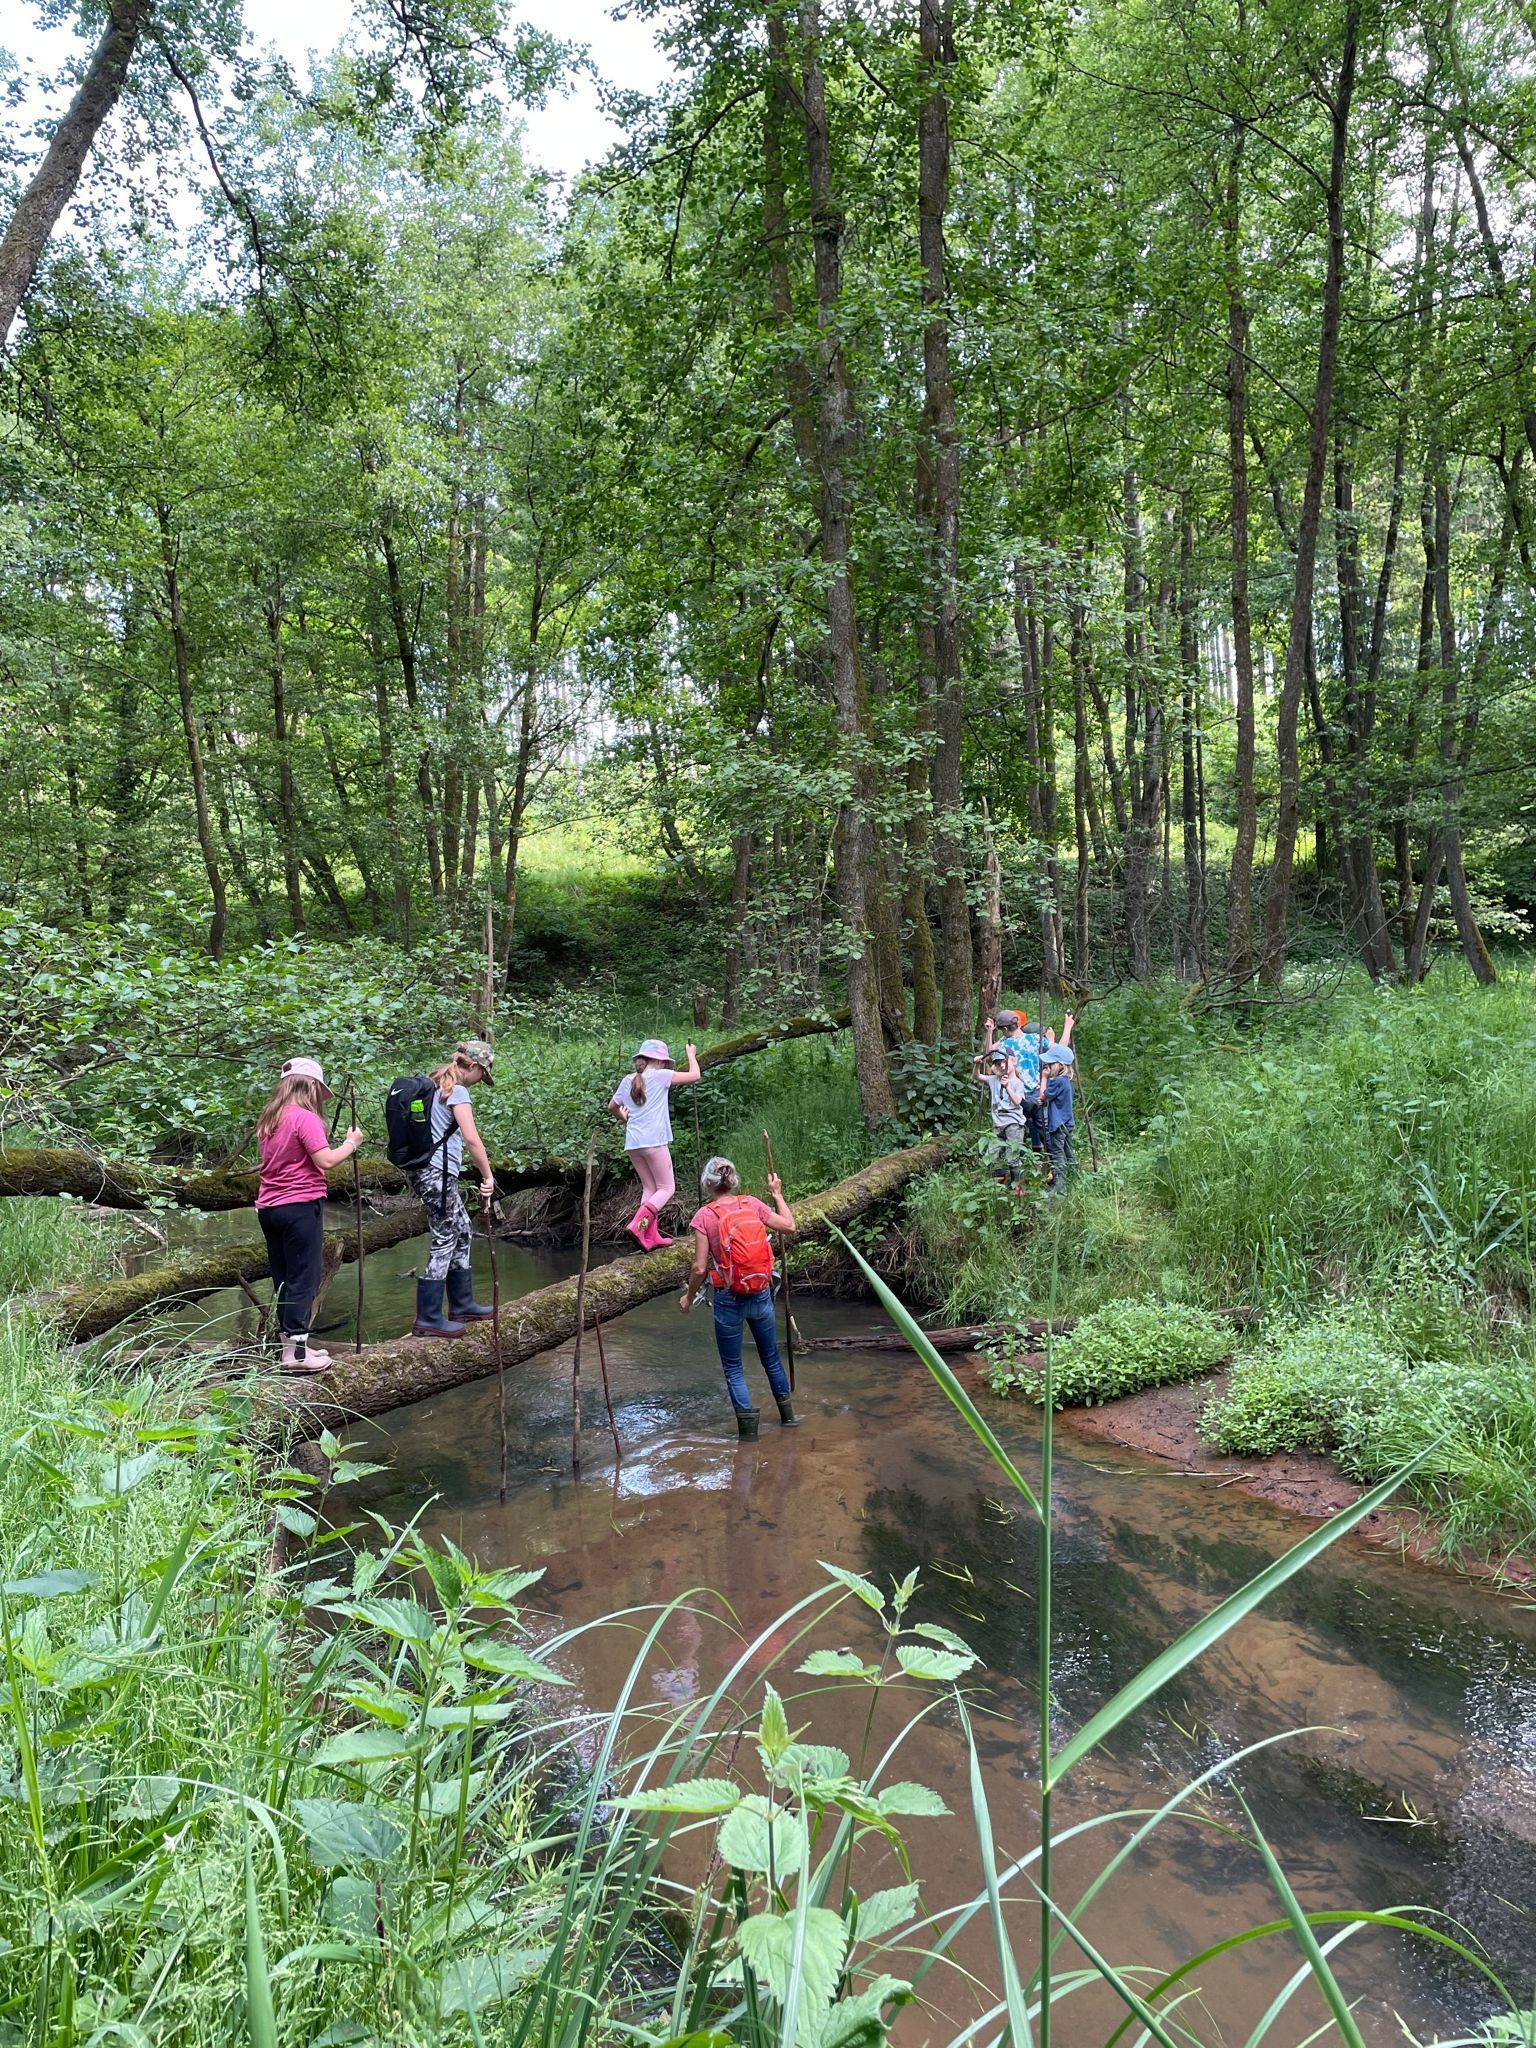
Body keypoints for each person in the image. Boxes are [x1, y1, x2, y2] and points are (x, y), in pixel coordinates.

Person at [255, 1056, 363, 1373]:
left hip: (269, 1207)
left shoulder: (269, 1119)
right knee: (304, 1276)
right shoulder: (305, 1118)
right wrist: (351, 1143)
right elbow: (326, 1160)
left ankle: (293, 1347)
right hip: (299, 1206)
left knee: (285, 1278)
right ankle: (297, 1356)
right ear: (312, 1085)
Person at [679, 1156, 798, 1439]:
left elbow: (699, 1268)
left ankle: (748, 1439)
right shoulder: (752, 1204)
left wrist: (688, 1297)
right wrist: (777, 1195)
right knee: (771, 1359)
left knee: (734, 1368)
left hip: (728, 1298)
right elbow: (789, 1226)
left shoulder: (704, 1217)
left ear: (708, 1183)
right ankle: (789, 1421)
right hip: (760, 1293)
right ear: (733, 1181)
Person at [409, 1038, 498, 1339]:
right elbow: (472, 1139)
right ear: (472, 1066)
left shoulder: (434, 1085)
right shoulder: (456, 1090)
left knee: (463, 1229)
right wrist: (487, 1176)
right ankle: (428, 1317)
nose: (479, 1081)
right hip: (436, 1173)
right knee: (446, 1235)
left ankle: (462, 1305)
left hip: (430, 1173)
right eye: (481, 1075)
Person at [609, 1037, 702, 1249]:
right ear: (659, 1061)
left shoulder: (627, 1080)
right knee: (667, 1188)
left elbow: (612, 1107)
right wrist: (691, 1055)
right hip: (654, 1142)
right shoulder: (661, 1076)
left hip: (633, 1144)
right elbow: (695, 1075)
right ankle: (637, 1224)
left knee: (650, 1188)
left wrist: (624, 1117)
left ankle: (650, 1236)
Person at [972, 1045, 1032, 1190]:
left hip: (1013, 1123)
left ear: (1012, 1061)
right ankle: (996, 1185)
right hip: (997, 1124)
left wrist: (1007, 1087)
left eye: (1004, 1062)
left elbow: (1019, 1101)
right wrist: (976, 1065)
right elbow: (977, 1076)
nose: (1001, 1065)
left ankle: (1018, 1187)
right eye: (998, 1063)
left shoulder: (1017, 1083)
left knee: (1013, 1155)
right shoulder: (993, 1079)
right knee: (991, 1153)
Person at [1040, 1043, 1078, 1189]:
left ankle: (1060, 1186)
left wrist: (1044, 1078)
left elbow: (1043, 1095)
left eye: (1050, 1064)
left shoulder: (1057, 1082)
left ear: (1059, 1065)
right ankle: (1074, 1179)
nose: (1047, 1066)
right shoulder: (1067, 1082)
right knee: (1069, 1151)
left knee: (1057, 1154)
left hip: (1058, 1124)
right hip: (1067, 1123)